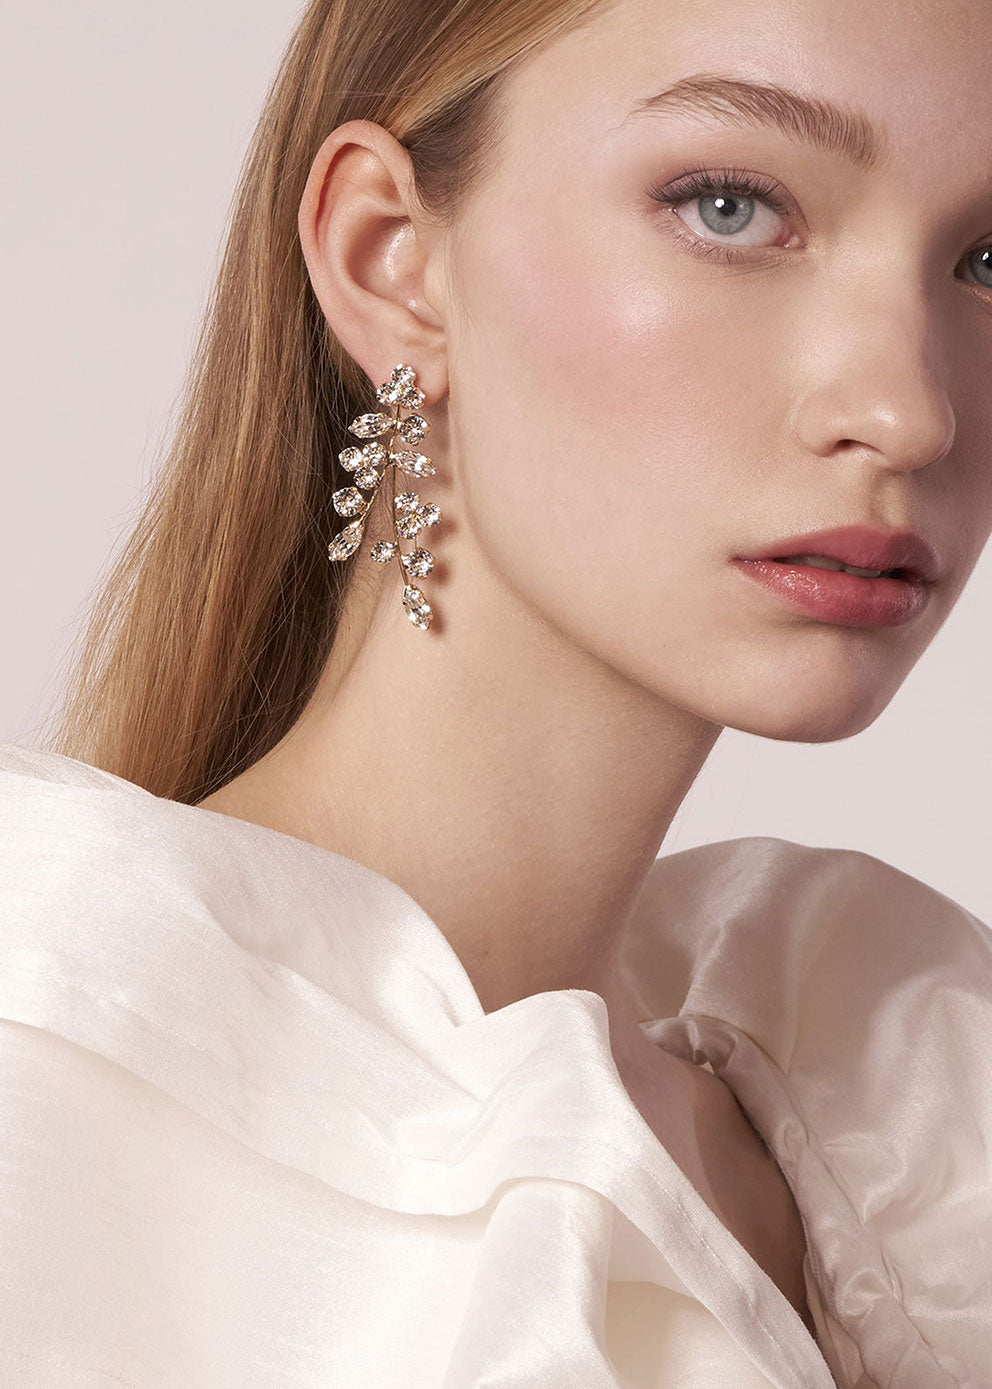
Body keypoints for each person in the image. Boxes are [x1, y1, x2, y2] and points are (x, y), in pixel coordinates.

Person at [1, 0, 991, 1384]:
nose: (910, 411)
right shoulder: (53, 1103)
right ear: (392, 261)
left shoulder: (908, 1104)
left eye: (989, 259)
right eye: (730, 207)